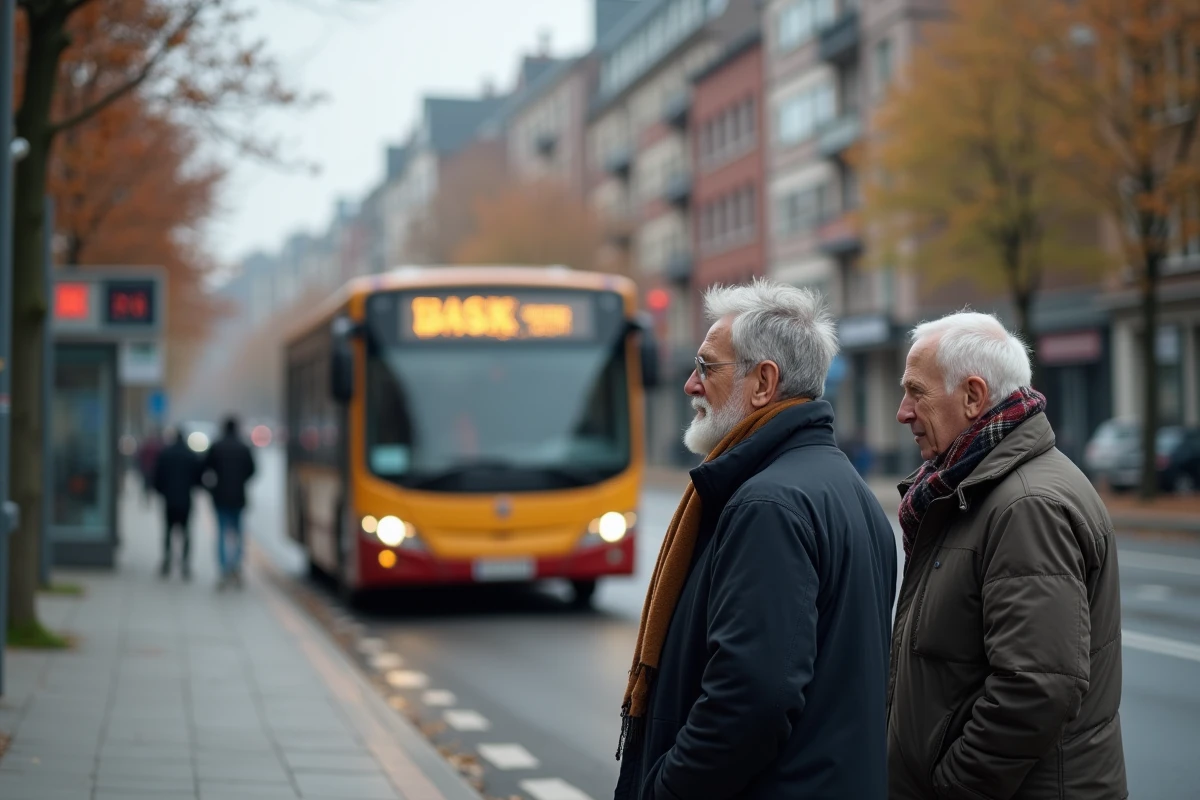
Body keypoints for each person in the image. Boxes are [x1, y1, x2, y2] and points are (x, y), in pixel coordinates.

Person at [613, 280, 897, 800]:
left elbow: (750, 703)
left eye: (706, 367)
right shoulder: (846, 489)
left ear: (764, 382)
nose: (690, 386)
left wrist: (663, 790)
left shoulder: (768, 505)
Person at [889, 312, 1126, 799]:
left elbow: (1036, 689)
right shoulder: (973, 491)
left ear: (973, 397)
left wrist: (952, 787)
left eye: (916, 391)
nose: (903, 411)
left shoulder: (1025, 505)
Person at [203, 415, 257, 588]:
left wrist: (211, 487)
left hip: (220, 497)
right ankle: (237, 566)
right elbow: (252, 470)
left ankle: (224, 569)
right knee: (238, 533)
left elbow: (205, 468)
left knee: (221, 533)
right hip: (239, 498)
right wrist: (240, 481)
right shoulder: (244, 447)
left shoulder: (216, 446)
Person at [153, 427, 201, 579]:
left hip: (169, 499)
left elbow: (157, 475)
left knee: (167, 531)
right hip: (185, 499)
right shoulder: (190, 455)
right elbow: (198, 478)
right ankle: (185, 564)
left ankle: (167, 560)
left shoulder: (166, 453)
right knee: (186, 532)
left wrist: (161, 491)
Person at [136, 427, 163, 506]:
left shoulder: (146, 447)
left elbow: (139, 458)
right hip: (151, 469)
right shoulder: (156, 447)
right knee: (149, 485)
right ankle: (148, 499)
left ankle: (147, 499)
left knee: (146, 486)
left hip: (147, 469)